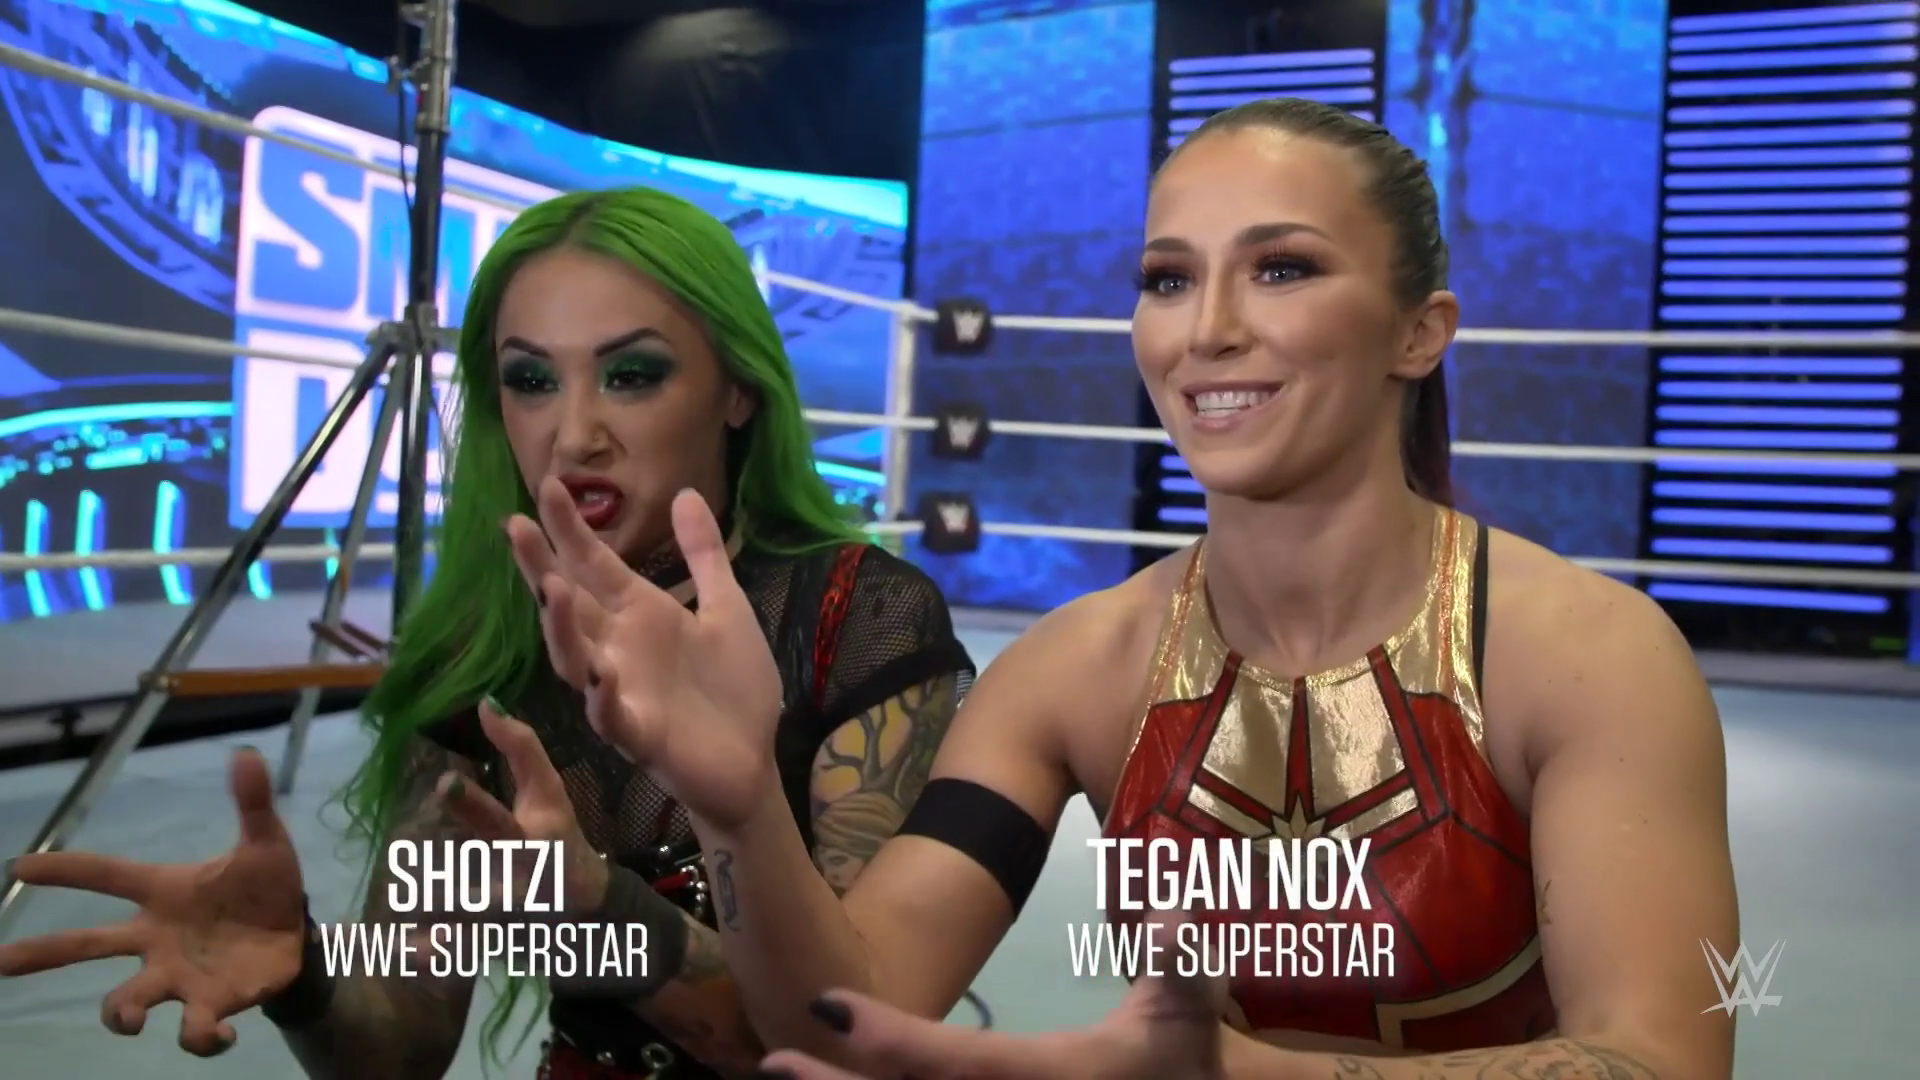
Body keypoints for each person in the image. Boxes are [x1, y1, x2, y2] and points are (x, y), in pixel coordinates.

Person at [527, 99, 1742, 1080]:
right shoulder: (1076, 671)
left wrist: (1245, 1075)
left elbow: (1662, 1057)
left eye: (1281, 269)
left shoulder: (1585, 654)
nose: (1206, 330)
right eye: (1167, 279)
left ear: (1418, 333)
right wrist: (742, 808)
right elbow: (850, 1017)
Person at [0, 187, 974, 1080]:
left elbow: (856, 1043)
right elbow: (400, 1044)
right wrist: (304, 972)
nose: (574, 435)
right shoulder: (488, 653)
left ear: (739, 387)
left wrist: (596, 906)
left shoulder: (860, 618)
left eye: (632, 374)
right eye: (531, 379)